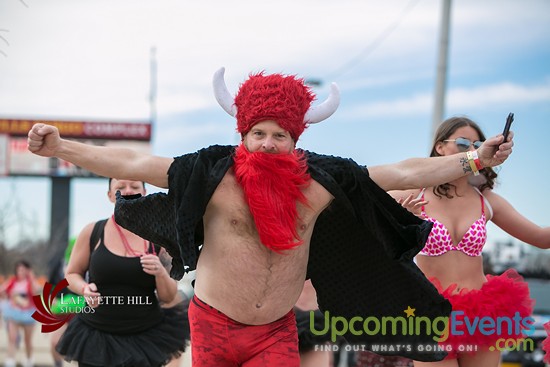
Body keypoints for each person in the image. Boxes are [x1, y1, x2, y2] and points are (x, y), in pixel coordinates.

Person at [27, 68, 514, 366]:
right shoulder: (212, 174)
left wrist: (474, 162)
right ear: (242, 132)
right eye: (258, 132)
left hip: (276, 330)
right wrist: (62, 147)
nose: (267, 143)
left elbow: (402, 171)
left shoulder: (319, 182)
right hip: (214, 324)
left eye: (279, 134)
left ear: (296, 138)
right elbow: (133, 164)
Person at [388, 116, 550, 367]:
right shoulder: (412, 194)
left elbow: (541, 238)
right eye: (463, 143)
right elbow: (360, 219)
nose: (472, 149)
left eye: (478, 143)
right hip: (430, 312)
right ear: (440, 147)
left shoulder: (486, 200)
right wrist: (400, 222)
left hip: (480, 314)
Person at [54, 178, 189, 367]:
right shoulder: (93, 231)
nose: (127, 191)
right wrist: (84, 288)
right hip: (96, 335)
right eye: (120, 187)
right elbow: (71, 275)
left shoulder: (160, 237)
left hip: (145, 337)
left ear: (144, 192)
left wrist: (160, 273)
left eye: (134, 186)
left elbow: (168, 296)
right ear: (110, 195)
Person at [0, 260, 42, 367]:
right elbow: (2, 290)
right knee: (12, 338)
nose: (21, 272)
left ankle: (29, 359)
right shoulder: (12, 281)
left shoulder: (30, 282)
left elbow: (36, 290)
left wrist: (31, 276)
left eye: (23, 270)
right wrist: (9, 296)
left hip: (28, 313)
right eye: (19, 270)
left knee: (27, 340)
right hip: (14, 313)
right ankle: (10, 360)